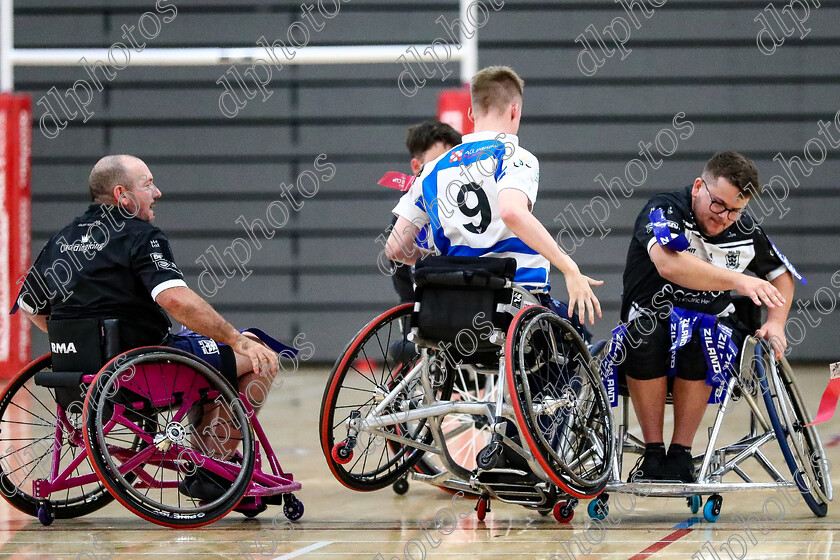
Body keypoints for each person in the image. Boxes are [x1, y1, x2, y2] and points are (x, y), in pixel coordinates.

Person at [13, 154, 282, 500]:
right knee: (261, 355)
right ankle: (210, 465)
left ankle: (207, 447)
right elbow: (175, 300)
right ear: (123, 195)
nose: (157, 192)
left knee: (213, 355)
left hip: (77, 376)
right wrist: (237, 341)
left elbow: (29, 305)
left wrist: (77, 342)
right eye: (148, 184)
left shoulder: (64, 238)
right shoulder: (141, 235)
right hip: (142, 371)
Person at [616, 151, 796, 482]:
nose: (724, 216)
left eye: (734, 210)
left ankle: (681, 454)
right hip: (651, 318)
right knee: (645, 333)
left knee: (704, 334)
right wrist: (738, 279)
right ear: (699, 186)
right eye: (718, 205)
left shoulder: (743, 229)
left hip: (708, 324)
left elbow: (782, 276)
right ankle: (654, 453)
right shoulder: (663, 210)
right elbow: (670, 263)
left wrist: (776, 323)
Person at [385, 65, 602, 329]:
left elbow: (395, 248)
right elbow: (512, 212)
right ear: (515, 110)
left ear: (471, 113)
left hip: (451, 304)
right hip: (514, 301)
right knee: (572, 334)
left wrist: (441, 263)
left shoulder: (432, 169)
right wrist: (569, 267)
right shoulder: (513, 155)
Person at [388, 121, 461, 303]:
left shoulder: (467, 207)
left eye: (453, 163)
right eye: (437, 164)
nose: (446, 172)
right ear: (416, 166)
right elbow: (402, 277)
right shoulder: (406, 213)